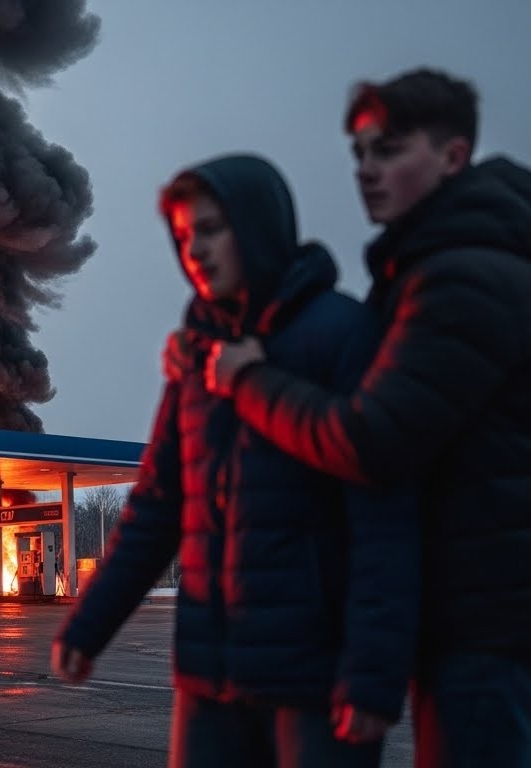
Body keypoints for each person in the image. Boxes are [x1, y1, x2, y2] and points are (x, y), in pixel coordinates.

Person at [200, 69, 531, 767]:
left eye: (388, 150)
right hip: (475, 617)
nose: (365, 171)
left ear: (451, 155)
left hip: (484, 626)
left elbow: (369, 441)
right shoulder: (427, 266)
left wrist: (252, 379)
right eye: (357, 154)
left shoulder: (461, 275)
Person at [52, 154, 420, 767]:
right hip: (209, 678)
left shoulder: (344, 333)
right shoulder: (196, 356)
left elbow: (385, 523)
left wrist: (374, 676)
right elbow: (156, 508)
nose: (195, 248)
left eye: (211, 228)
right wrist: (90, 623)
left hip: (316, 684)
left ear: (257, 224)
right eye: (184, 235)